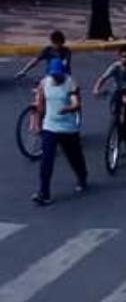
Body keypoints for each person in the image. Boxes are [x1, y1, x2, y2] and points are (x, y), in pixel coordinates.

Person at [31, 58, 87, 205]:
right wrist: (38, 123)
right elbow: (40, 104)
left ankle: (82, 176)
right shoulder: (44, 83)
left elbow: (76, 103)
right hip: (50, 127)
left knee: (74, 157)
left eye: (59, 75)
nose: (56, 78)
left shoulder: (70, 83)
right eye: (54, 75)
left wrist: (68, 109)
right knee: (46, 161)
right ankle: (44, 192)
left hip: (68, 128)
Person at [92, 44, 126, 144]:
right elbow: (103, 78)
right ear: (119, 57)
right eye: (123, 57)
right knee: (115, 110)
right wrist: (96, 88)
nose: (125, 59)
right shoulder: (115, 66)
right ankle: (116, 125)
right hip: (117, 91)